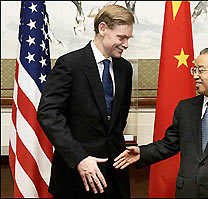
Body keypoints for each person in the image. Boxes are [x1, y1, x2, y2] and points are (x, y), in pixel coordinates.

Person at [114, 47, 208, 198]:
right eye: (195, 70)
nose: (195, 76)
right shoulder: (185, 108)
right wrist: (142, 152)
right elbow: (170, 144)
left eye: (201, 70)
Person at [37, 4, 134, 199]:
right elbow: (48, 114)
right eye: (121, 38)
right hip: (76, 176)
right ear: (103, 28)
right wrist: (79, 157)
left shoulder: (125, 68)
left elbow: (119, 119)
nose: (126, 44)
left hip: (115, 177)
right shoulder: (70, 64)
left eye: (128, 38)